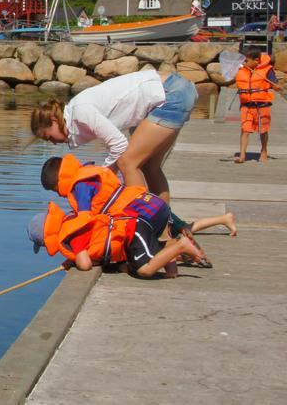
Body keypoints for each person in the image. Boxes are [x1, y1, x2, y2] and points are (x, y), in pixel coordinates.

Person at [30, 69, 198, 203]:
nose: (52, 143)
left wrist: (102, 175)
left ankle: (143, 225)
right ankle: (163, 229)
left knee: (128, 162)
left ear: (53, 120)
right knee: (148, 167)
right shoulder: (76, 114)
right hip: (173, 90)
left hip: (171, 94)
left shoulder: (80, 112)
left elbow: (119, 145)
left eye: (48, 137)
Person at [29, 155, 205, 278]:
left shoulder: (80, 188)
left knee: (142, 267)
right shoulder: (87, 173)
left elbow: (85, 220)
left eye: (55, 190)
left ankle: (180, 247)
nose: (60, 195)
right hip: (150, 203)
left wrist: (75, 254)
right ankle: (173, 267)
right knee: (137, 254)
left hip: (140, 213)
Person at [235, 47, 282, 163]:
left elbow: (275, 84)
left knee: (263, 130)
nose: (243, 63)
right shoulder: (241, 70)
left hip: (262, 105)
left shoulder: (267, 70)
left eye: (246, 61)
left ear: (256, 60)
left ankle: (264, 150)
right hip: (246, 105)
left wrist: (276, 87)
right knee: (245, 129)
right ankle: (242, 155)